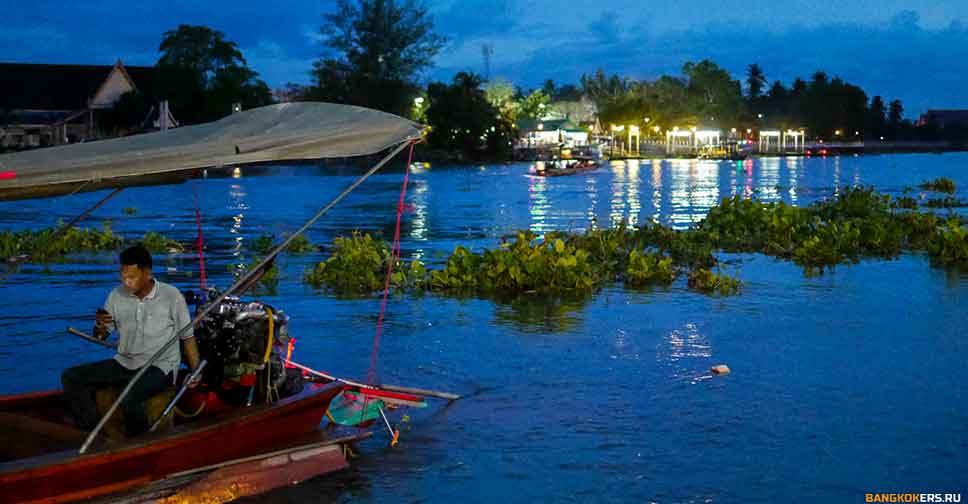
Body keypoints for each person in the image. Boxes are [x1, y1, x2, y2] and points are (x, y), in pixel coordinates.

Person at [61, 244, 201, 436]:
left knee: (128, 397)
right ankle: (92, 430)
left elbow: (188, 338)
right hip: (125, 362)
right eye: (123, 276)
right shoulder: (115, 296)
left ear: (147, 273)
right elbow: (101, 336)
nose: (126, 282)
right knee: (71, 377)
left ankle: (139, 440)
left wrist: (196, 372)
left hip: (160, 366)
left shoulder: (171, 296)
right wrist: (100, 326)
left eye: (131, 277)